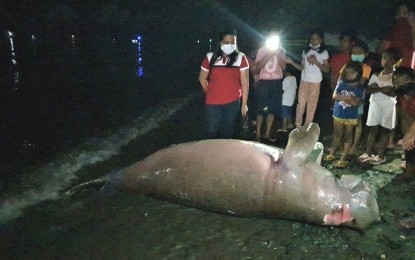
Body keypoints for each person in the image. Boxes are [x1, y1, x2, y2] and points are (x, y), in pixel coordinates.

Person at [198, 30, 249, 139]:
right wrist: (210, 91)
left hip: (233, 102)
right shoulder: (210, 57)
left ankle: (223, 155)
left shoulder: (241, 57)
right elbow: (202, 78)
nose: (230, 45)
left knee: (227, 131)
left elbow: (245, 82)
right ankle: (209, 154)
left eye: (232, 42)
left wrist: (244, 104)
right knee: (211, 131)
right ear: (220, 42)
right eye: (226, 42)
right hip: (213, 102)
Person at [358, 48, 402, 165]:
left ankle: (380, 155)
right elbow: (368, 89)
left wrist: (376, 88)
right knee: (372, 129)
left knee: (384, 131)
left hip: (388, 107)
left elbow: (393, 92)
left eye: (389, 59)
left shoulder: (396, 76)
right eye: (384, 58)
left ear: (395, 61)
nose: (385, 61)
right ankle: (368, 153)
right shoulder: (376, 74)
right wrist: (383, 89)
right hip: (375, 105)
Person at [287, 28, 330, 128]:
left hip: (316, 83)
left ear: (321, 40)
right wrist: (291, 62)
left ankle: (307, 128)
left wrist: (316, 62)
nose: (314, 41)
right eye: (312, 39)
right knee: (300, 104)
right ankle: (297, 127)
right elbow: (302, 67)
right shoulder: (306, 51)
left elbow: (327, 69)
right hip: (304, 81)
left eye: (317, 39)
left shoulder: (324, 52)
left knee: (311, 106)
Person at [324, 61, 365, 168]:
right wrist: (349, 98)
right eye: (347, 72)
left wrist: (345, 98)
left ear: (358, 73)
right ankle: (332, 153)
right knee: (337, 134)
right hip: (338, 113)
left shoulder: (360, 88)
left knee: (348, 135)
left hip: (350, 116)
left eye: (352, 73)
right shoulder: (341, 83)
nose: (349, 75)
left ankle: (343, 157)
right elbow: (335, 96)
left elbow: (357, 102)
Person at [250, 31, 286, 142]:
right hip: (264, 82)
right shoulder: (261, 50)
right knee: (261, 108)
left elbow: (284, 67)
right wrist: (269, 54)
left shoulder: (282, 51)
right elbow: (258, 67)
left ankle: (267, 133)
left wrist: (277, 54)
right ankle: (258, 133)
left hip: (276, 82)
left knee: (272, 109)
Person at [346, 40, 372, 155]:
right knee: (346, 122)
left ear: (366, 54)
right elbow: (341, 79)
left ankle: (354, 146)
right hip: (346, 97)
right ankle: (347, 143)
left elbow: (361, 81)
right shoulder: (347, 65)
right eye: (354, 52)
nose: (356, 55)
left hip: (357, 97)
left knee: (357, 122)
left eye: (359, 52)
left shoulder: (366, 68)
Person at [376, 1, 415, 68]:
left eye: (406, 13)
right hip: (398, 66)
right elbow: (382, 48)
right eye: (400, 12)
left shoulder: (404, 25)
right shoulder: (397, 27)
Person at [393, 67, 415, 180]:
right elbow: (403, 115)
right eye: (396, 82)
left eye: (403, 81)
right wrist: (406, 137)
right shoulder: (401, 96)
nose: (398, 85)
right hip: (410, 127)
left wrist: (409, 135)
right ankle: (410, 171)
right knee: (409, 149)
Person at [277, 66, 297, 132]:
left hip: (285, 100)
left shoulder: (286, 79)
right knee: (289, 113)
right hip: (291, 99)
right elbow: (295, 88)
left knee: (284, 114)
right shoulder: (294, 78)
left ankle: (284, 127)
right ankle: (290, 124)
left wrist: (278, 97)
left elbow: (283, 90)